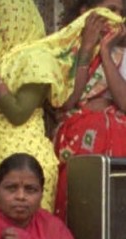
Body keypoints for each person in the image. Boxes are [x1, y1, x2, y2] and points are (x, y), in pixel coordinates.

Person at [0, 0, 59, 212]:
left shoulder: (36, 58)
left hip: (23, 159)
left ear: (17, 22)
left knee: (28, 238)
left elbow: (18, 113)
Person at [52, 1, 126, 218]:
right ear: (86, 12)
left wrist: (105, 51)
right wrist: (86, 48)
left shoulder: (121, 54)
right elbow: (67, 101)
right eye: (111, 9)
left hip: (118, 144)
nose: (117, 17)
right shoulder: (64, 50)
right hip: (74, 142)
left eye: (121, 13)